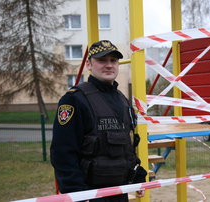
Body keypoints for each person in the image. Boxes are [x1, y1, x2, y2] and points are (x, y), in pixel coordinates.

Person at [50, 40, 146, 202]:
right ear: (89, 64)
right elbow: (62, 153)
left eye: (113, 61)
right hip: (89, 194)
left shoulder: (122, 100)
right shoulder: (74, 100)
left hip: (119, 191)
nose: (109, 65)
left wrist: (137, 177)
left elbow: (127, 148)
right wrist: (77, 194)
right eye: (102, 60)